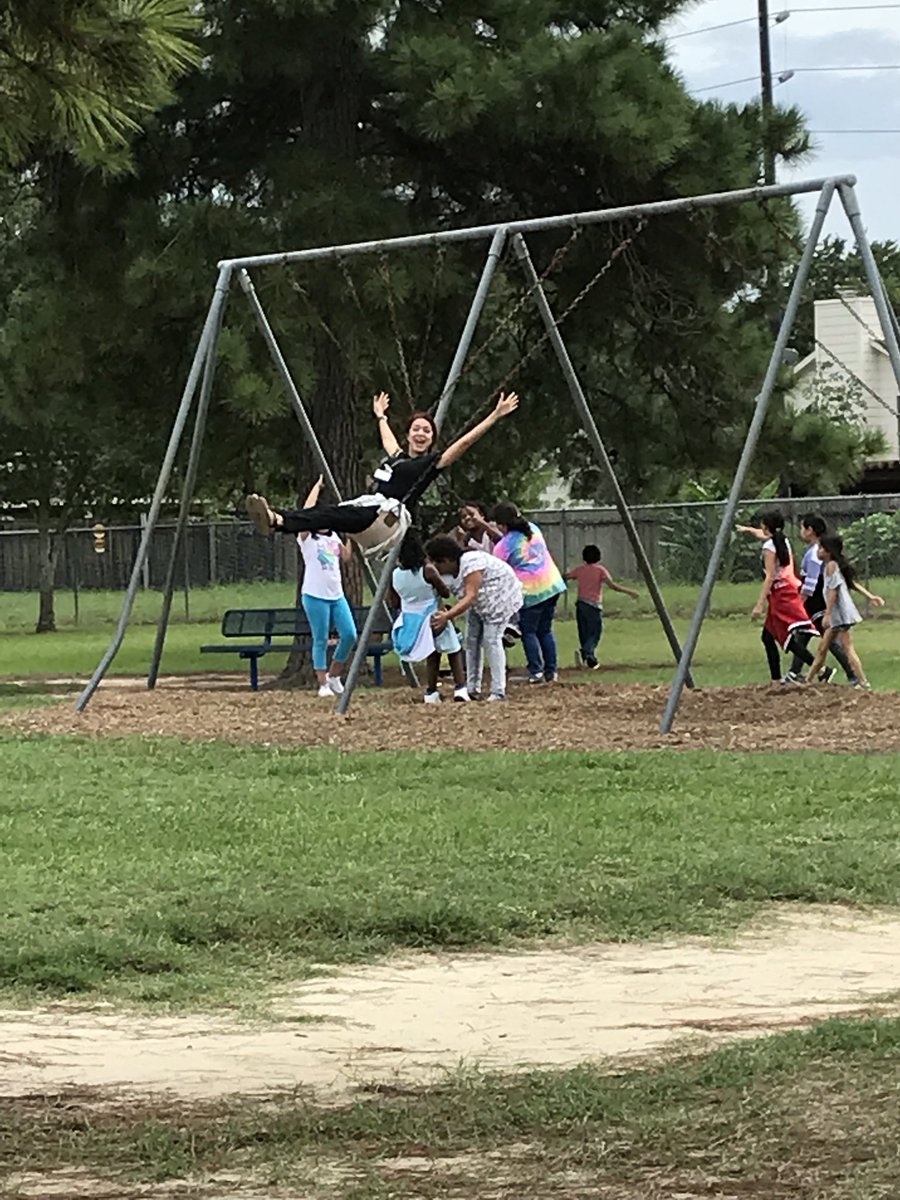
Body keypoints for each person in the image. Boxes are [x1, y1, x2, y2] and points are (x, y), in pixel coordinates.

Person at [244, 391, 519, 544]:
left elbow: (463, 444)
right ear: (409, 434)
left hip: (386, 517)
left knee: (331, 514)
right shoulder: (398, 457)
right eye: (416, 429)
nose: (421, 434)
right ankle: (277, 521)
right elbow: (387, 439)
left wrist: (494, 416)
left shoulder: (429, 464)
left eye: (427, 431)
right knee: (328, 513)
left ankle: (279, 520)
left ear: (432, 438)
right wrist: (381, 416)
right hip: (369, 509)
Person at [424, 535, 523, 702]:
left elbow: (470, 595)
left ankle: (498, 691)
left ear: (448, 560)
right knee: (471, 640)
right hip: (480, 603)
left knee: (491, 640)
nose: (435, 567)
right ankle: (471, 688)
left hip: (500, 597)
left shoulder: (471, 562)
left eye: (437, 562)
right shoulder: (448, 574)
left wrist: (447, 616)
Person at [388, 529, 469, 705]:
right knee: (453, 649)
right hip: (433, 615)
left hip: (411, 619)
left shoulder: (395, 574)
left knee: (432, 654)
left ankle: (431, 691)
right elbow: (445, 593)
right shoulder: (428, 570)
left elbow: (394, 602)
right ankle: (460, 687)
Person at [489, 502, 566, 684]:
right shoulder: (533, 529)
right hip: (552, 584)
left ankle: (536, 671)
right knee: (545, 630)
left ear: (501, 525)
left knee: (528, 631)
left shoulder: (503, 546)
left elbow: (495, 569)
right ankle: (551, 671)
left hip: (530, 592)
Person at [738, 510, 818, 684]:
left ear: (766, 526)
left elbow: (770, 576)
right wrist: (749, 530)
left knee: (783, 637)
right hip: (787, 590)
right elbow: (765, 536)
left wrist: (759, 604)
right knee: (769, 637)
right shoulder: (782, 541)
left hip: (781, 595)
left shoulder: (769, 547)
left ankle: (819, 668)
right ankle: (777, 679)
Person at [295, 476, 356, 698]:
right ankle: (322, 683)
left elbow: (347, 557)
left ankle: (335, 674)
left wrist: (351, 533)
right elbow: (305, 512)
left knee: (349, 634)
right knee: (320, 638)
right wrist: (316, 488)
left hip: (336, 594)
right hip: (314, 595)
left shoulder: (333, 537)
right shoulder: (306, 539)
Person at [805, 534, 884, 688]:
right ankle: (808, 681)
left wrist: (827, 614)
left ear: (828, 551)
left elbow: (833, 591)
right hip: (837, 615)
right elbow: (851, 583)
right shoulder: (834, 565)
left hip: (839, 614)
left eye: (821, 548)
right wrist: (871, 596)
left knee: (847, 648)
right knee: (823, 648)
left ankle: (863, 682)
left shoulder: (831, 566)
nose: (818, 551)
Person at [797, 514, 856, 683]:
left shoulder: (815, 554)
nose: (801, 531)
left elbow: (812, 582)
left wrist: (801, 601)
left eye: (803, 528)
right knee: (803, 633)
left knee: (829, 640)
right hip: (815, 601)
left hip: (815, 601)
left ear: (810, 531)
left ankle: (853, 675)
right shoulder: (815, 551)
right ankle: (797, 672)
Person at [565, 545, 639, 669]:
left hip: (581, 604)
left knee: (584, 633)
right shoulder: (600, 570)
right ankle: (587, 652)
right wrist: (630, 592)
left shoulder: (580, 570)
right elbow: (612, 585)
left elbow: (567, 577)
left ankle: (589, 659)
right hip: (593, 606)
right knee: (595, 633)